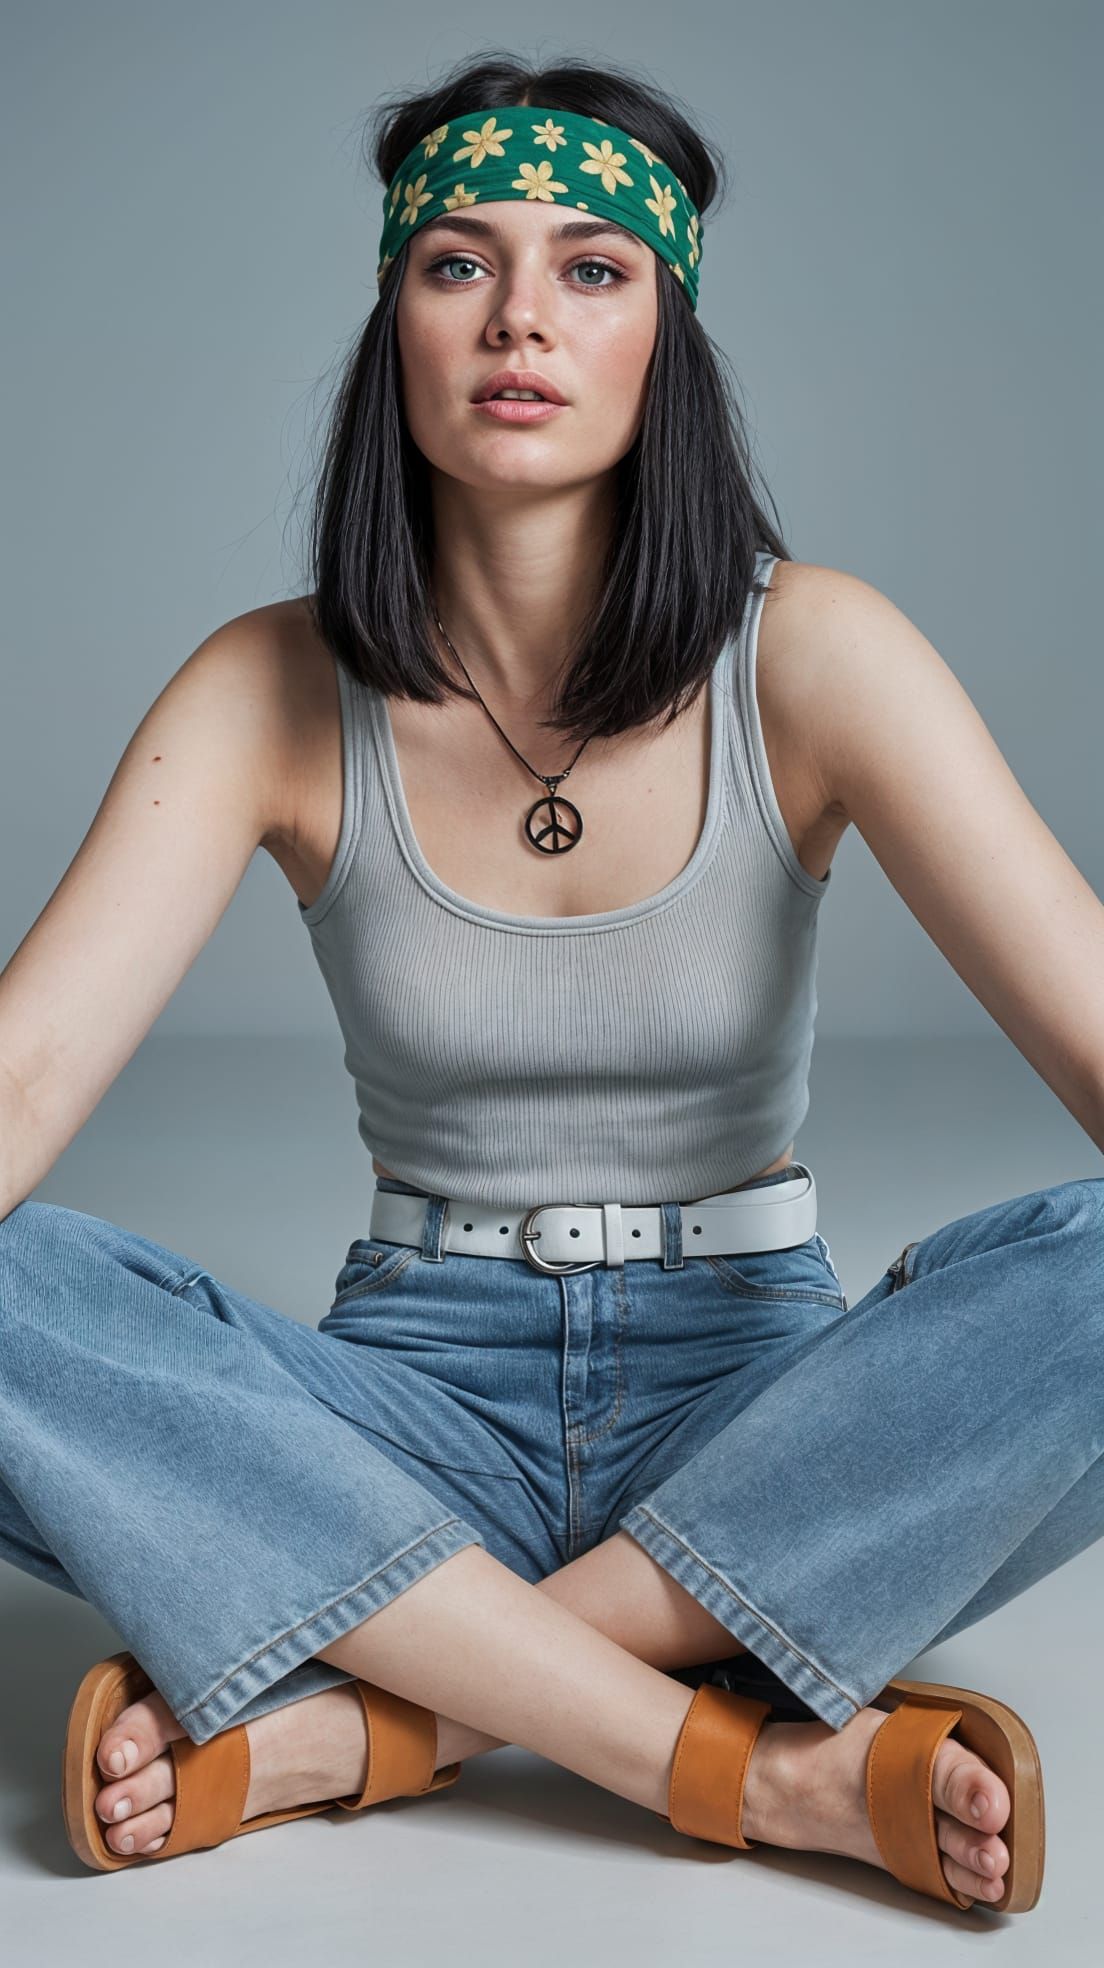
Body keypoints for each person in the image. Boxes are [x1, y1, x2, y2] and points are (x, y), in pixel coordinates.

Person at [1, 53, 1101, 1913]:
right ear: (396, 327)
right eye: (460, 262)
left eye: (594, 268)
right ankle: (746, 1765)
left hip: (763, 1402)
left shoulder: (816, 653)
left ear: (669, 337)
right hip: (405, 1405)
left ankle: (378, 1717)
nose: (521, 316)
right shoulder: (266, 686)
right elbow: (22, 1080)